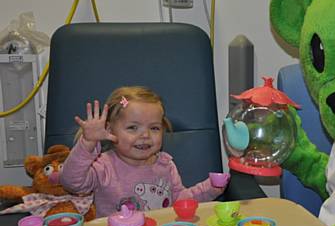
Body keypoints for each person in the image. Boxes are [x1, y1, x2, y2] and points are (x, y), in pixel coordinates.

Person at [60, 86, 225, 217]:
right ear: (110, 130)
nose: (145, 135)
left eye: (154, 128)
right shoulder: (103, 165)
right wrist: (87, 143)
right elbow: (71, 182)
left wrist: (209, 188)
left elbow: (178, 201)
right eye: (133, 127)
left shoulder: (165, 164)